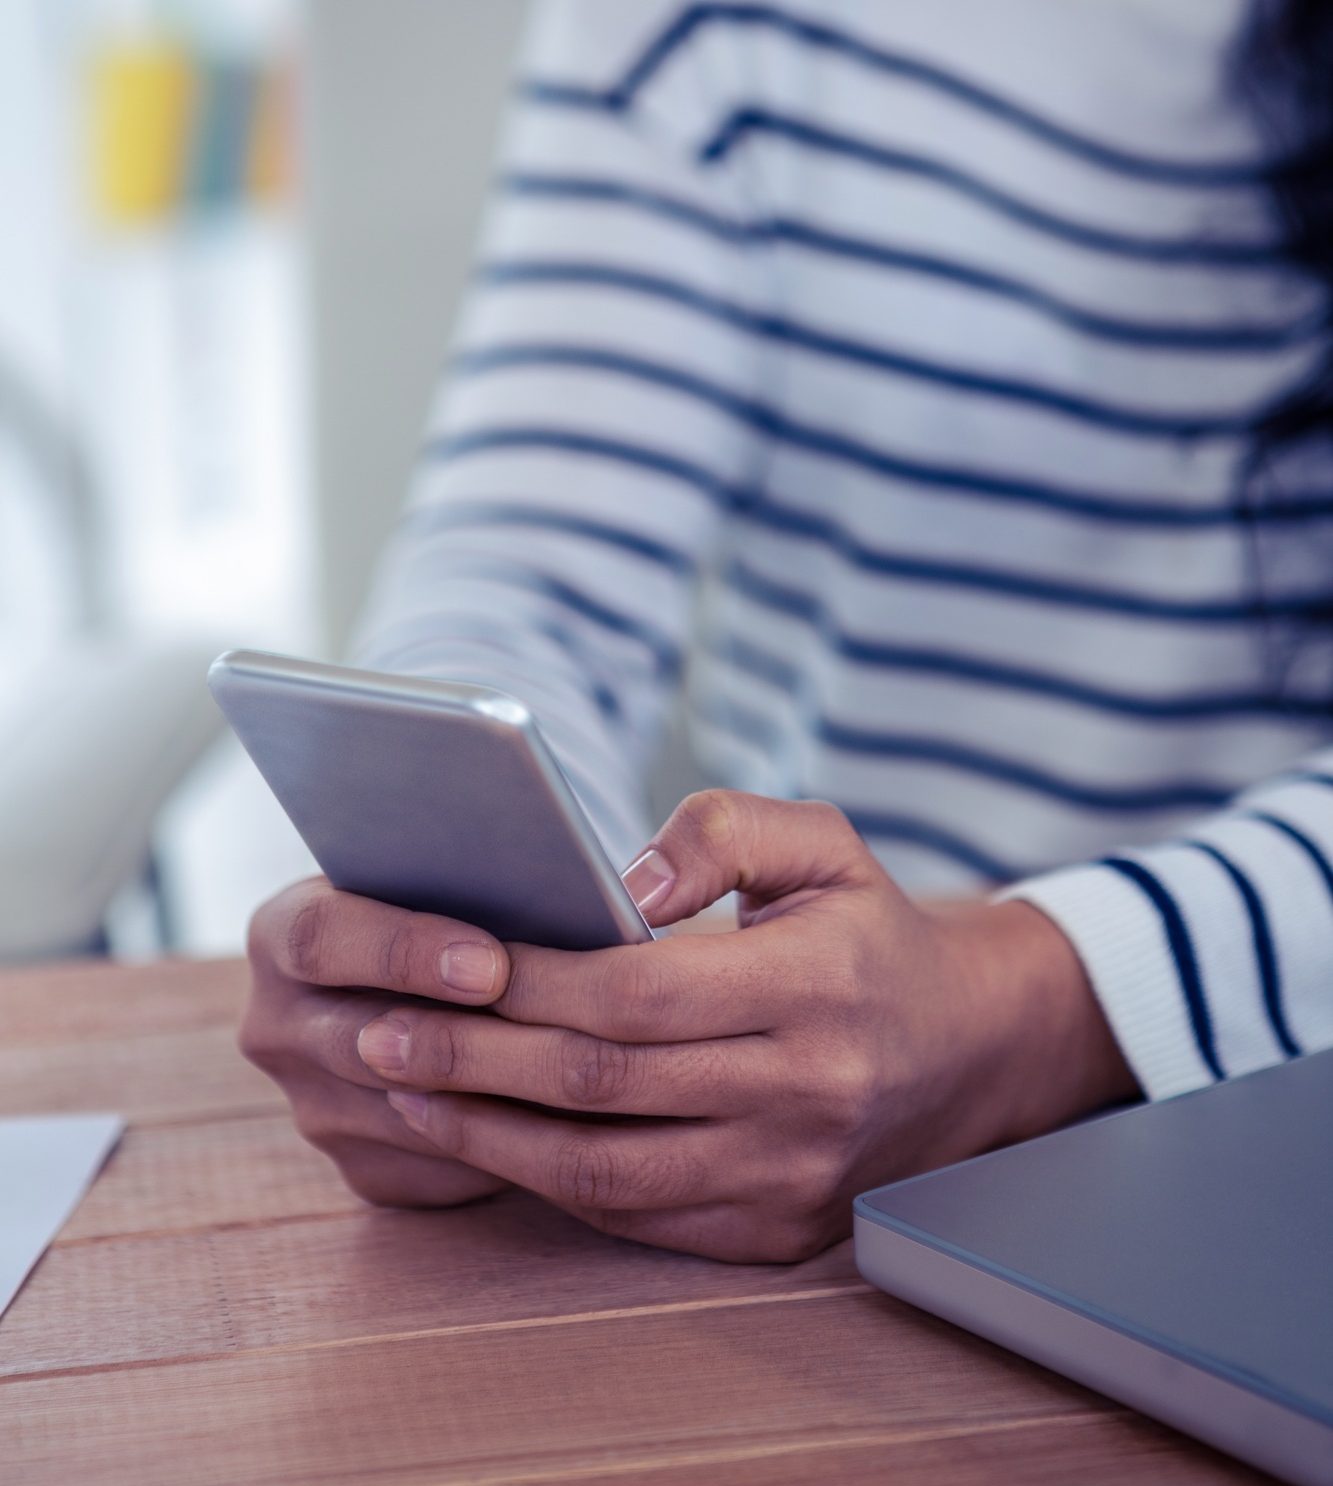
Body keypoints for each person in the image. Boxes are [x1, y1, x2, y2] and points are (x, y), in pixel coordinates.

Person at [240, 0, 1333, 1262]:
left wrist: (1034, 1002)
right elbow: (522, 571)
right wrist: (466, 959)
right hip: (830, 1127)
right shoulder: (695, 30)